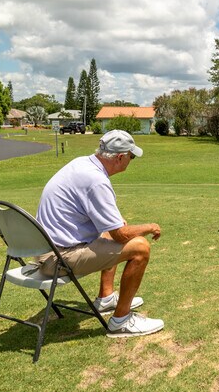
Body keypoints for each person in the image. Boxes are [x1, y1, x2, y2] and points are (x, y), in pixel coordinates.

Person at [36, 129, 164, 338]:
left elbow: (113, 229)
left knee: (110, 233)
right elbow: (122, 235)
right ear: (120, 157)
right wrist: (150, 226)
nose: (131, 160)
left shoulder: (81, 164)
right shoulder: (96, 180)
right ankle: (121, 321)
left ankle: (106, 298)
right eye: (131, 156)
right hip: (57, 259)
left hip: (47, 251)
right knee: (140, 247)